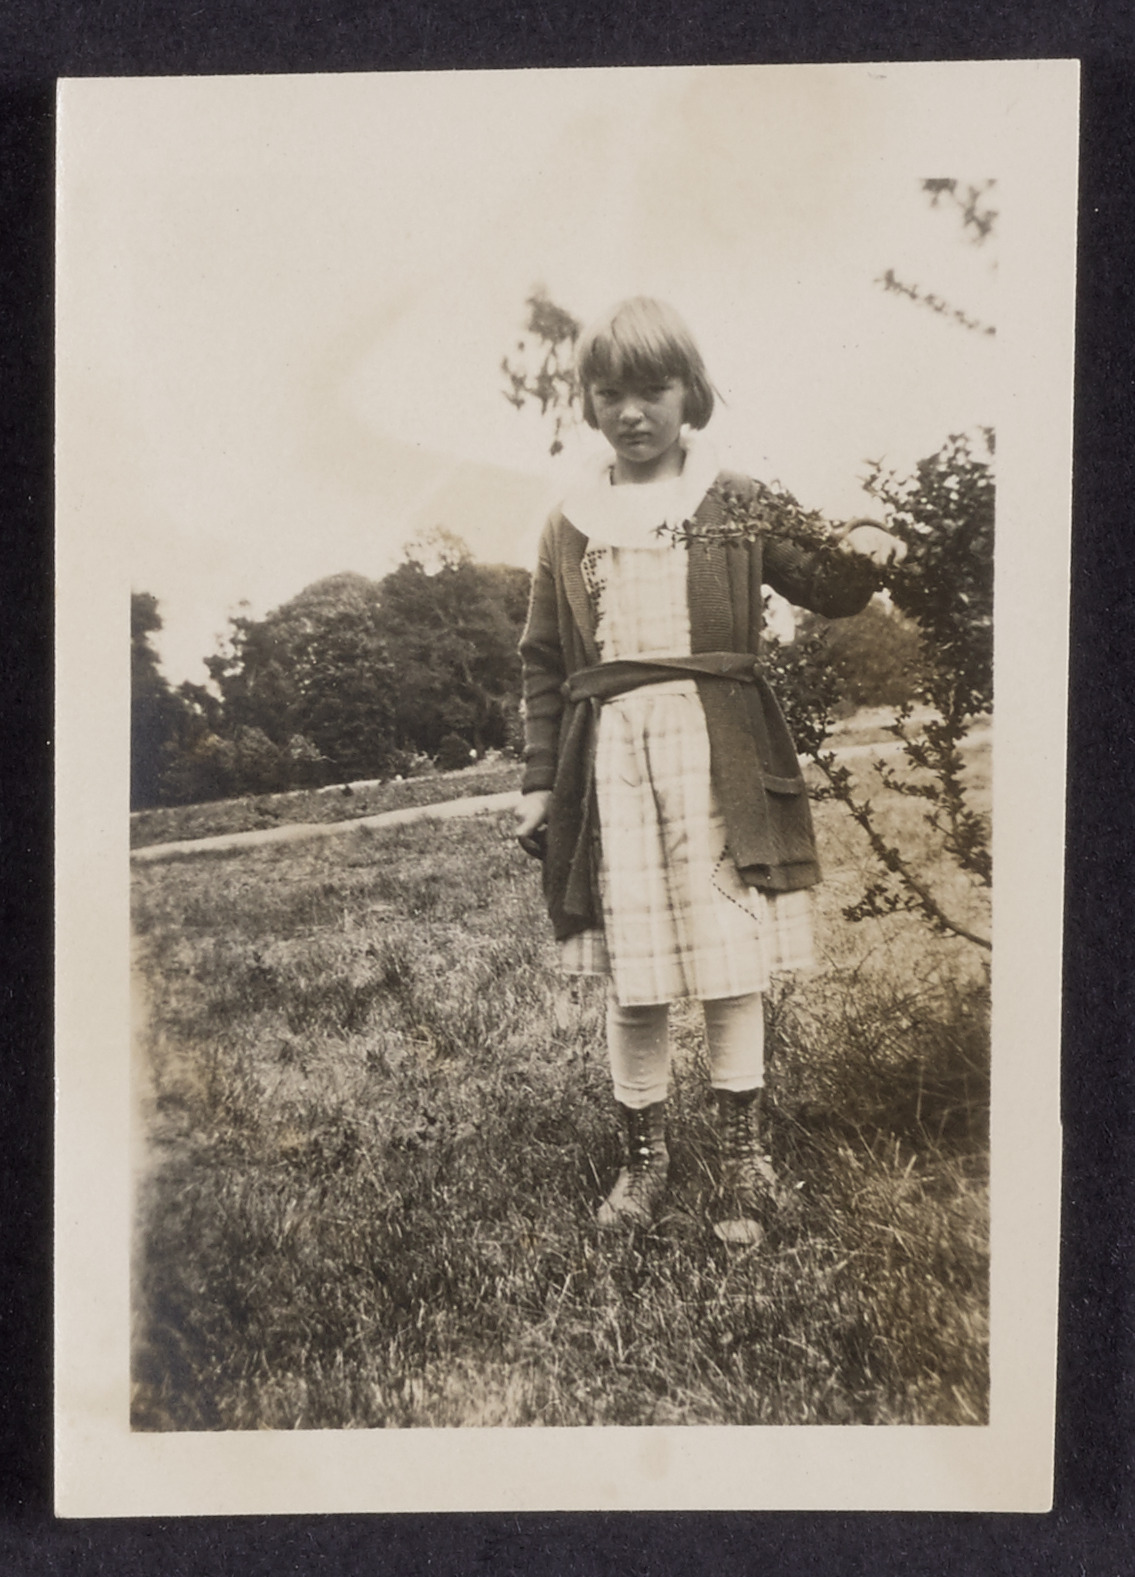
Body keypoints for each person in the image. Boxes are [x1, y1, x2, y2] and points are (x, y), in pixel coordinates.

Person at [515, 296, 903, 1244]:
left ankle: (743, 1156)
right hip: (610, 765)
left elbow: (823, 580)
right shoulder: (569, 519)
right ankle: (641, 1158)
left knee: (732, 960)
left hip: (719, 757)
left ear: (692, 394)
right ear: (587, 401)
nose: (631, 411)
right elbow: (541, 662)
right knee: (634, 973)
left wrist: (863, 550)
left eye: (652, 389)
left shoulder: (734, 501)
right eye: (609, 392)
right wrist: (536, 782)